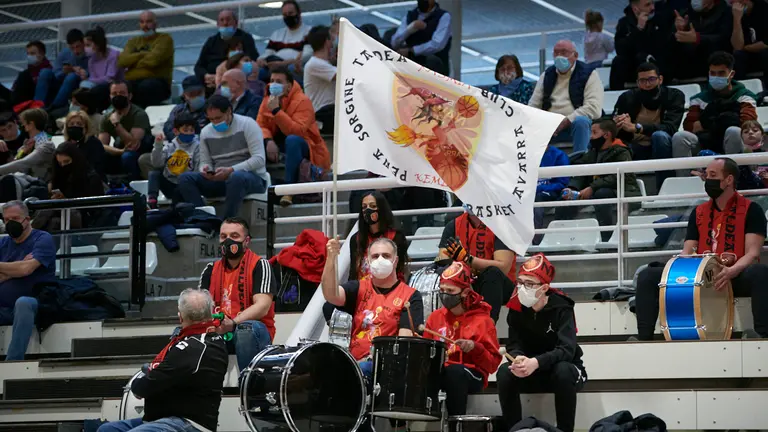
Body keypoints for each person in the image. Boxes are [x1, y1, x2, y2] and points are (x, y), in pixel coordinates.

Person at [634, 157, 768, 340]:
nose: (707, 179)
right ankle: (643, 338)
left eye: (713, 175)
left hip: (733, 276)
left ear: (729, 180)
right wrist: (678, 271)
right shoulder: (698, 212)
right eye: (706, 175)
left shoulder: (752, 209)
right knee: (648, 275)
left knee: (760, 273)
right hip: (701, 276)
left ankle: (762, 335)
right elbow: (687, 251)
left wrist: (731, 271)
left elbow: (752, 253)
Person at [97, 289, 228, 432]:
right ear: (210, 313)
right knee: (107, 430)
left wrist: (139, 383)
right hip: (162, 419)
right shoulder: (207, 340)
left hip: (188, 422)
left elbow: (146, 385)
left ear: (180, 317)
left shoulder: (192, 347)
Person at [496, 253, 587, 432]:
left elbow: (567, 350)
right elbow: (514, 344)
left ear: (544, 287)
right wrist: (518, 358)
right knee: (505, 372)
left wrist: (537, 362)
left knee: (564, 370)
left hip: (560, 370)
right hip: (530, 371)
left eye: (529, 284)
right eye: (520, 282)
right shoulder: (516, 308)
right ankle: (515, 429)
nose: (522, 288)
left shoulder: (562, 307)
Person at [322, 236, 423, 374]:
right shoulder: (358, 288)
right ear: (368, 261)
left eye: (386, 256)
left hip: (385, 366)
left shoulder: (410, 295)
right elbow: (331, 295)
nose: (380, 260)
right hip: (353, 361)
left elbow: (404, 342)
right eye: (375, 256)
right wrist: (331, 259)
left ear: (395, 261)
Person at [198, 217, 277, 371]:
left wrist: (233, 323)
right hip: (219, 330)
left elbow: (262, 306)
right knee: (182, 332)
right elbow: (201, 308)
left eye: (234, 236)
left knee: (245, 329)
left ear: (246, 241)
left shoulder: (260, 265)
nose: (228, 241)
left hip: (253, 331)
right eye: (223, 236)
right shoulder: (210, 269)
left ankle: (248, 382)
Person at [423, 260, 501, 416]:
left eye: (450, 290)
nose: (444, 294)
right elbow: (426, 353)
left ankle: (456, 423)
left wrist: (475, 347)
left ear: (465, 292)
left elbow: (492, 365)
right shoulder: (435, 317)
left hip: (472, 375)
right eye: (442, 290)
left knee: (454, 372)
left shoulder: (483, 320)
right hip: (443, 372)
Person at [177, 95, 267, 219]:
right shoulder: (206, 132)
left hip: (251, 178)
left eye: (218, 118)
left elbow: (259, 159)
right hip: (220, 178)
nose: (215, 122)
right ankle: (205, 219)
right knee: (185, 178)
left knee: (236, 177)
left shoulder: (248, 124)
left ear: (229, 111)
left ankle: (227, 221)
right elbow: (205, 161)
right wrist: (206, 169)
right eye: (211, 119)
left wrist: (231, 169)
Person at [672, 52, 758, 173]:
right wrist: (721, 121)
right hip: (705, 142)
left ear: (731, 74)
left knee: (734, 131)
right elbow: (690, 126)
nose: (716, 77)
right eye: (713, 73)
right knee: (680, 137)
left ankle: (733, 177)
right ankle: (683, 181)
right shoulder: (698, 98)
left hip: (734, 142)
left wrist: (707, 123)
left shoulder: (745, 96)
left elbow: (746, 124)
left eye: (721, 73)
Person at [555, 119, 640, 242]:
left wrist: (592, 187)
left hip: (625, 192)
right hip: (597, 191)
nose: (590, 137)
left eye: (594, 133)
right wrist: (572, 188)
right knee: (565, 199)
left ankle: (607, 239)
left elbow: (618, 177)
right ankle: (561, 240)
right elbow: (581, 172)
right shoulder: (592, 152)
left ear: (607, 135)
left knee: (602, 194)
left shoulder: (622, 152)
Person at [258, 67, 331, 204]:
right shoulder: (267, 100)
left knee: (292, 140)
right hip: (278, 146)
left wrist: (276, 111)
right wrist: (268, 140)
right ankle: (260, 187)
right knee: (255, 140)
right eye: (272, 81)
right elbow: (260, 125)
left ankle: (289, 190)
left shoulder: (302, 101)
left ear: (289, 86)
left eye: (279, 81)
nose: (273, 84)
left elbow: (298, 131)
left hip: (306, 147)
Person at [437, 205, 516, 322]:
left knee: (493, 273)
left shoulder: (502, 226)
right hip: (466, 282)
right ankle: (445, 323)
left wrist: (468, 259)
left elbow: (503, 267)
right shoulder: (453, 225)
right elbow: (443, 261)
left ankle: (486, 325)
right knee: (445, 275)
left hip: (500, 286)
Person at [613, 62, 685, 188]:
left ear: (660, 79)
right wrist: (618, 124)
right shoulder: (627, 97)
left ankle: (665, 188)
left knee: (659, 136)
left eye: (651, 79)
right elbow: (614, 126)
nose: (647, 84)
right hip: (635, 146)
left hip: (662, 146)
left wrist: (638, 128)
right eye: (643, 81)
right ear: (637, 82)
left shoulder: (674, 95)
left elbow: (670, 128)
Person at [0, 201, 56, 361]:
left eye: (15, 218)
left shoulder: (42, 239)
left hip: (37, 303)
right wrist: (15, 270)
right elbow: (21, 269)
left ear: (27, 219)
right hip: (4, 308)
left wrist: (11, 270)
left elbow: (26, 269)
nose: (10, 223)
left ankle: (13, 362)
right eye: (6, 220)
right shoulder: (2, 243)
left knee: (23, 303)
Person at [529, 39, 604, 154]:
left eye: (564, 52)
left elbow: (594, 108)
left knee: (581, 121)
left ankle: (580, 160)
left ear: (575, 55)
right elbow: (533, 105)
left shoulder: (589, 74)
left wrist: (567, 120)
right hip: (550, 125)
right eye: (556, 52)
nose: (559, 56)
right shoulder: (547, 75)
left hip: (575, 124)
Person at [32, 142, 105, 232]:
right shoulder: (61, 176)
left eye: (66, 162)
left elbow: (92, 208)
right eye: (60, 163)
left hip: (84, 216)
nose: (63, 166)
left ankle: (30, 232)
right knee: (54, 222)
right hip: (63, 213)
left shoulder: (91, 178)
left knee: (48, 209)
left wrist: (66, 200)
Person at [610, 0, 673, 90]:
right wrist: (638, 29)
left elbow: (665, 45)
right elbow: (621, 50)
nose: (652, 7)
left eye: (652, 3)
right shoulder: (624, 23)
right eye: (647, 5)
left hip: (657, 65)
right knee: (618, 62)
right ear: (636, 9)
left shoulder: (660, 20)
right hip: (633, 67)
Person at [117, 10, 175, 108]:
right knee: (116, 88)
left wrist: (133, 61)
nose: (145, 25)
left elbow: (153, 61)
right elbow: (122, 61)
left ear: (156, 24)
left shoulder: (165, 39)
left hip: (157, 81)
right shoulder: (133, 41)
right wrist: (143, 54)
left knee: (145, 87)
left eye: (149, 21)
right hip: (133, 81)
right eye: (142, 22)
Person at [195, 9, 259, 93]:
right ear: (218, 24)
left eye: (228, 19)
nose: (225, 23)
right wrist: (206, 76)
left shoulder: (245, 38)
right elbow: (199, 66)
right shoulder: (211, 41)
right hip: (211, 81)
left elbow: (252, 61)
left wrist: (220, 77)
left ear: (236, 23)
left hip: (235, 78)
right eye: (222, 20)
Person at [349, 191, 408, 281]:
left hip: (390, 284)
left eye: (373, 206)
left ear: (382, 208)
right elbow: (354, 272)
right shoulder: (356, 238)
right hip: (364, 286)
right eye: (364, 207)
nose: (368, 210)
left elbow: (400, 269)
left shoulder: (396, 236)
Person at [99, 81, 152, 179]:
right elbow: (102, 145)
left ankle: (133, 185)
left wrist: (117, 124)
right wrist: (119, 151)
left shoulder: (139, 114)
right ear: (110, 96)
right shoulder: (106, 117)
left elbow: (133, 144)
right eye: (114, 93)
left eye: (122, 93)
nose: (118, 96)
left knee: (127, 157)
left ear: (130, 96)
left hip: (140, 152)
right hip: (120, 151)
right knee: (98, 156)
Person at [147, 113, 201, 208]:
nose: (189, 133)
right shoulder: (169, 147)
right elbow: (156, 164)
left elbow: (197, 171)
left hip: (187, 185)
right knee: (154, 173)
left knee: (181, 187)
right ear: (176, 131)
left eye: (191, 130)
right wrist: (158, 146)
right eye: (185, 130)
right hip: (170, 184)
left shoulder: (197, 147)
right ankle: (152, 201)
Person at [671, 0, 733, 80]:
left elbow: (723, 38)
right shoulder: (688, 12)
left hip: (714, 58)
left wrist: (698, 38)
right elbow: (676, 36)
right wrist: (681, 28)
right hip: (689, 61)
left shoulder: (725, 11)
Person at [390, 0, 452, 76]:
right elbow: (394, 43)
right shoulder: (410, 15)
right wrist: (409, 29)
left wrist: (412, 51)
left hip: (435, 69)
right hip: (411, 66)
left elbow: (437, 45)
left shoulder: (443, 16)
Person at [256, 0, 312, 83]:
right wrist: (261, 59)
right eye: (285, 15)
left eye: (291, 13)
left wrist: (285, 63)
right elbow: (268, 53)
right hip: (274, 65)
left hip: (294, 66)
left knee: (291, 68)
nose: (288, 17)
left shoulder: (309, 32)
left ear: (299, 13)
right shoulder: (277, 34)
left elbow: (307, 55)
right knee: (258, 71)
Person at [35, 29, 88, 110]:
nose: (75, 51)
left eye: (78, 46)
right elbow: (55, 73)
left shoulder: (90, 54)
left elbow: (93, 73)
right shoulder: (65, 53)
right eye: (72, 48)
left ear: (83, 43)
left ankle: (54, 107)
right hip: (60, 82)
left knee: (72, 76)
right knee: (45, 72)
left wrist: (81, 72)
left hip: (76, 84)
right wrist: (64, 72)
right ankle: (36, 106)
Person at [0, 108, 54, 180]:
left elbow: (23, 164)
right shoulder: (28, 143)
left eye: (23, 122)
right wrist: (23, 152)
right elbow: (16, 161)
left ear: (31, 124)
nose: (22, 125)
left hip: (40, 183)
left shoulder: (45, 144)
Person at [534, 144, 570, 245]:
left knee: (537, 198)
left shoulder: (559, 155)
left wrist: (539, 188)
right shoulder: (524, 155)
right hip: (528, 192)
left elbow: (562, 183)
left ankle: (536, 241)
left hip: (550, 192)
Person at [304, 25, 337, 135]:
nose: (334, 42)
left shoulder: (323, 64)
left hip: (329, 112)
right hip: (322, 114)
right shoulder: (314, 64)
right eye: (332, 39)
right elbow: (344, 75)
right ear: (327, 42)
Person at [83, 26, 124, 112]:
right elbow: (93, 78)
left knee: (93, 88)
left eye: (88, 45)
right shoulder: (91, 60)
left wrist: (89, 80)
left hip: (115, 85)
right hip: (99, 86)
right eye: (85, 45)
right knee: (83, 86)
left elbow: (109, 78)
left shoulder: (113, 55)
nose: (85, 48)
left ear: (97, 44)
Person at [731, 0, 768, 88]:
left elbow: (765, 44)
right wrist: (737, 20)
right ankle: (740, 88)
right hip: (748, 54)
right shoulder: (735, 13)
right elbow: (737, 46)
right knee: (737, 55)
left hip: (762, 51)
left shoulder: (764, 10)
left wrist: (745, 48)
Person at [162, 76, 209, 142]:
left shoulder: (212, 109)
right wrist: (181, 141)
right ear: (184, 95)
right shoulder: (178, 110)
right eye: (192, 94)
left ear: (204, 91)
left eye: (199, 93)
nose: (196, 97)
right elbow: (168, 128)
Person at [62, 110, 106, 179]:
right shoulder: (65, 146)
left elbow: (95, 170)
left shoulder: (94, 143)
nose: (75, 126)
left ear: (86, 128)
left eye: (79, 124)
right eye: (72, 124)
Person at [9, 41, 52, 106]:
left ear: (42, 54)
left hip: (32, 98)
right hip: (18, 96)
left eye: (32, 53)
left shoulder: (48, 70)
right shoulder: (29, 70)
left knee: (24, 74)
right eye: (28, 54)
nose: (29, 56)